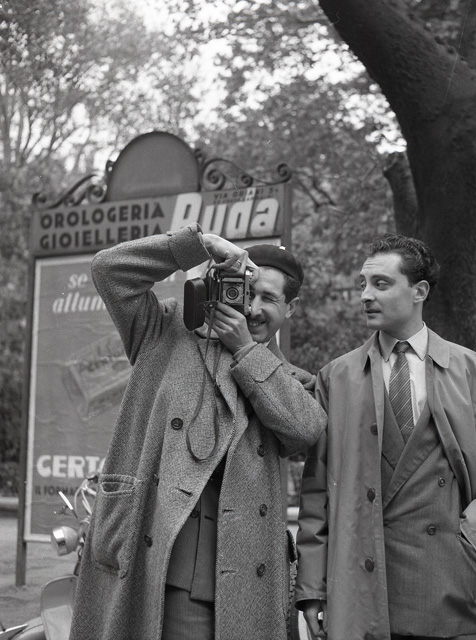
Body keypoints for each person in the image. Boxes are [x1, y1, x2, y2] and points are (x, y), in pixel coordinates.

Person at [69, 222, 327, 640]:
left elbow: (305, 429)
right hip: (156, 554)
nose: (251, 308)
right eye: (246, 291)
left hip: (241, 575)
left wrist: (245, 349)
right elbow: (109, 270)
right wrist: (198, 244)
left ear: (291, 308)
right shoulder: (166, 330)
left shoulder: (292, 380)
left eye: (269, 298)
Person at [295, 234, 476, 640]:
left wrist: (475, 538)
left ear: (419, 291)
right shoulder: (335, 378)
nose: (365, 296)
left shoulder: (475, 371)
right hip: (365, 588)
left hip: (455, 583)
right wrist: (312, 588)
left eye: (381, 284)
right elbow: (317, 493)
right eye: (363, 284)